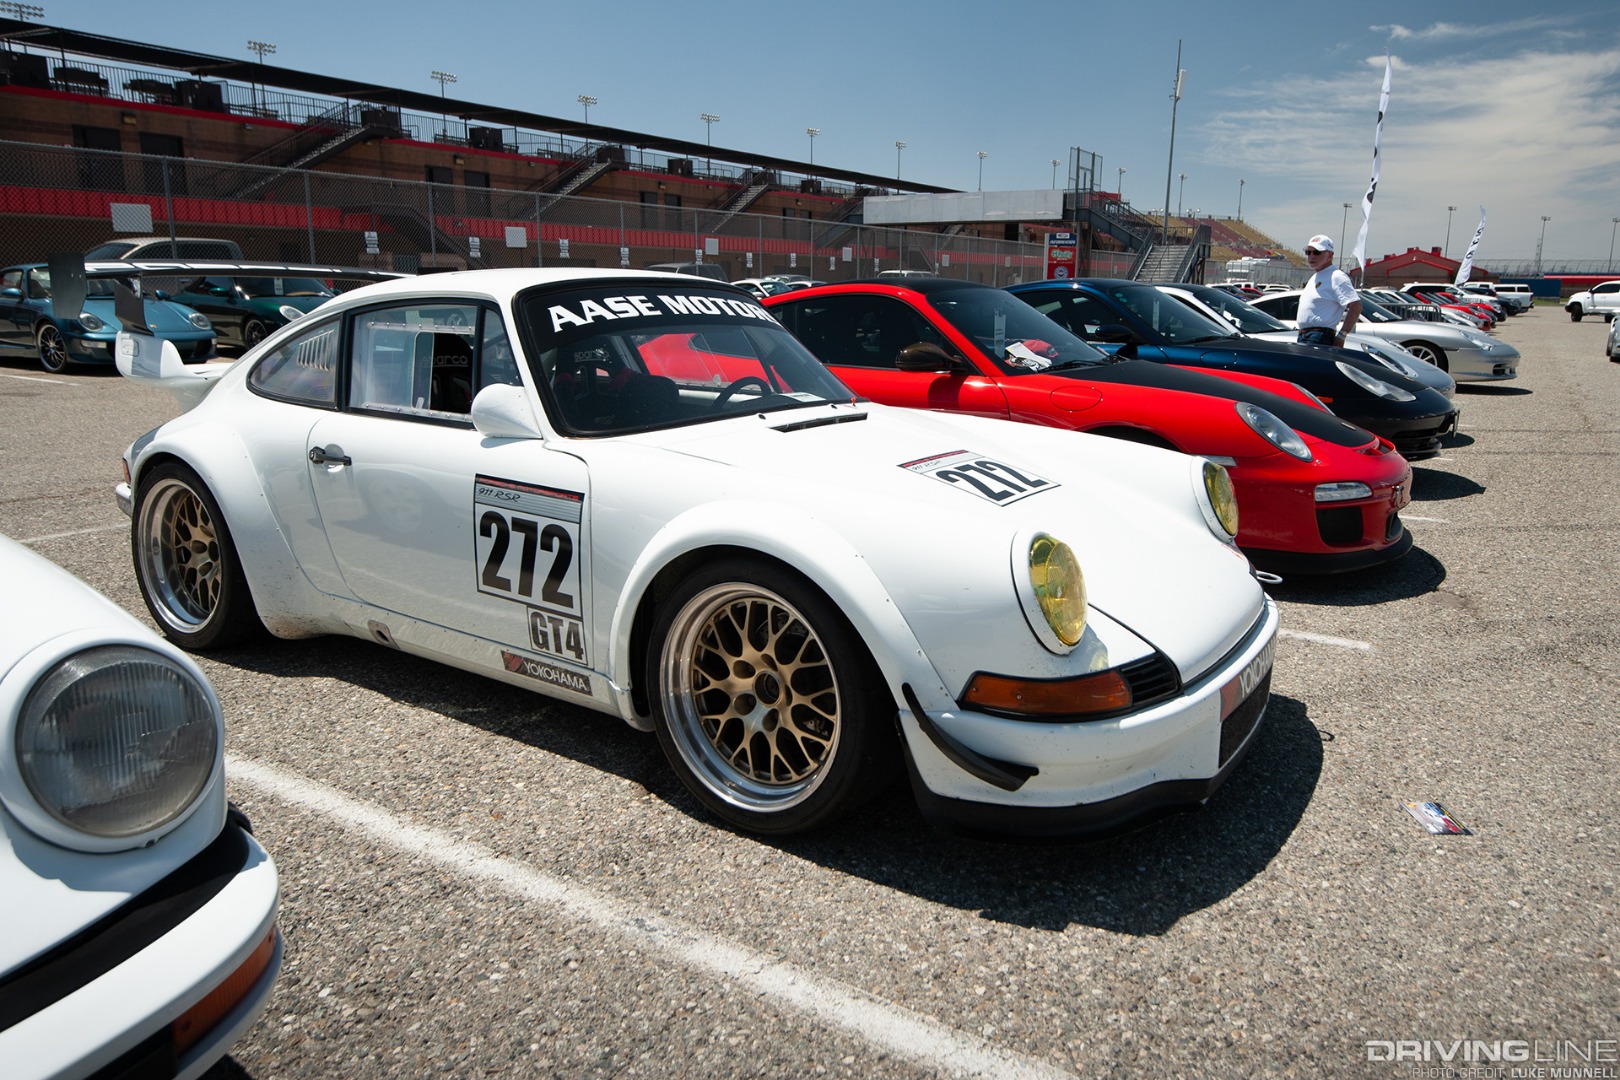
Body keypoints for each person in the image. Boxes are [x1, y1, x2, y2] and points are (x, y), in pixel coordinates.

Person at [1295, 234, 1360, 347]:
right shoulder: (1316, 276)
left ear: (1330, 255)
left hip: (1319, 336)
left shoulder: (1337, 277)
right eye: (1308, 252)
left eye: (1317, 252)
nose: (1311, 256)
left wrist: (1341, 335)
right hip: (1305, 336)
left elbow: (1356, 306)